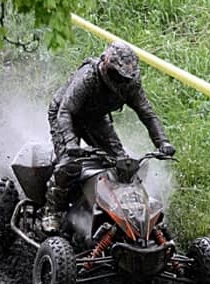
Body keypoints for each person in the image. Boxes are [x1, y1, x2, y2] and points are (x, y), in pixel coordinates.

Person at [43, 41, 176, 233]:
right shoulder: (88, 77)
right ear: (106, 66)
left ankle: (118, 213)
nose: (121, 81)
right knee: (70, 164)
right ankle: (52, 211)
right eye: (117, 76)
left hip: (96, 118)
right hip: (65, 115)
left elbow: (147, 114)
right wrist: (71, 143)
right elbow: (65, 111)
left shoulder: (131, 84)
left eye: (124, 77)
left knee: (122, 165)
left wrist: (162, 142)